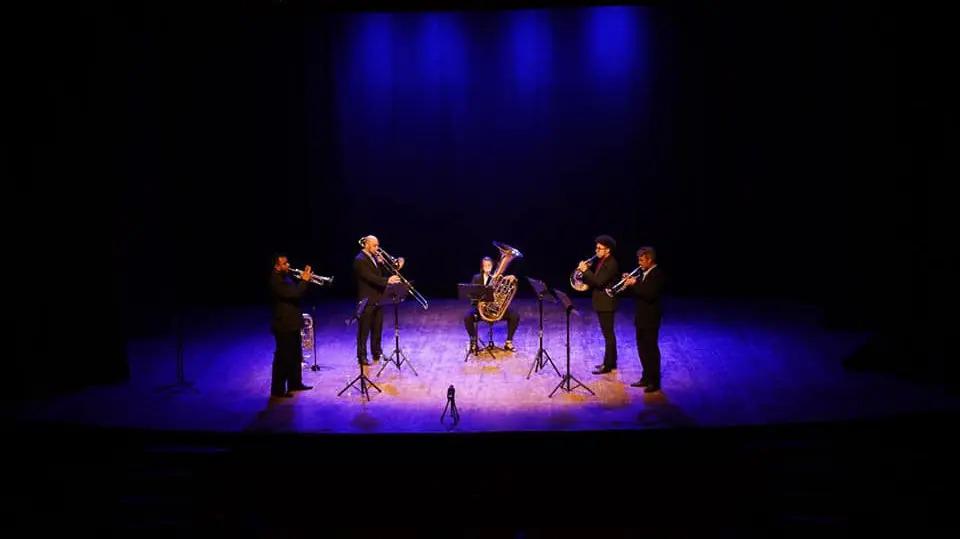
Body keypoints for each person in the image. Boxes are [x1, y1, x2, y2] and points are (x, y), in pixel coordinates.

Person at [269, 254, 314, 398]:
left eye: (287, 262)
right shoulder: (275, 280)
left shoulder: (286, 277)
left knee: (295, 356)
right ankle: (278, 390)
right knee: (283, 358)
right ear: (276, 266)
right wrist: (304, 281)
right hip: (284, 325)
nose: (288, 265)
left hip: (292, 323)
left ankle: (295, 383)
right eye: (284, 264)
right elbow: (294, 294)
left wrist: (303, 279)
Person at [354, 235, 403, 365]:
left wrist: (381, 264)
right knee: (364, 331)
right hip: (367, 299)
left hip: (378, 298)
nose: (377, 248)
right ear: (366, 245)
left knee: (377, 328)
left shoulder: (373, 258)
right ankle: (362, 356)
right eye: (375, 246)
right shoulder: (359, 259)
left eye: (377, 245)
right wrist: (387, 280)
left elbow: (378, 275)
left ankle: (377, 352)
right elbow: (369, 278)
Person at [623, 246, 665, 392]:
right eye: (639, 260)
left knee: (651, 349)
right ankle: (646, 377)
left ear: (650, 259)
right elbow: (639, 293)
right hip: (641, 317)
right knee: (642, 348)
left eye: (641, 260)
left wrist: (635, 283)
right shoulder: (644, 273)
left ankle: (654, 381)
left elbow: (650, 294)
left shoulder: (657, 274)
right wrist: (629, 283)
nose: (639, 263)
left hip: (651, 318)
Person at [577, 235, 620, 375]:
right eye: (596, 247)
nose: (597, 250)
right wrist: (586, 271)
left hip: (607, 303)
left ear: (608, 250)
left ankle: (608, 365)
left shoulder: (611, 263)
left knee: (608, 334)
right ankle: (611, 362)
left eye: (599, 248)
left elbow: (599, 282)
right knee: (608, 334)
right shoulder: (602, 261)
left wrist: (585, 271)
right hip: (602, 303)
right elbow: (594, 279)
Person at [463, 256, 520, 353]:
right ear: (482, 266)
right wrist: (479, 302)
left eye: (489, 265)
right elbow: (472, 297)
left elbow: (504, 293)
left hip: (496, 309)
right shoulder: (476, 278)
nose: (487, 267)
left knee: (515, 316)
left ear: (492, 266)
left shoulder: (498, 278)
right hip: (481, 310)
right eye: (485, 265)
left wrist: (513, 279)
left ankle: (508, 342)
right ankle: (473, 342)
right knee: (467, 317)